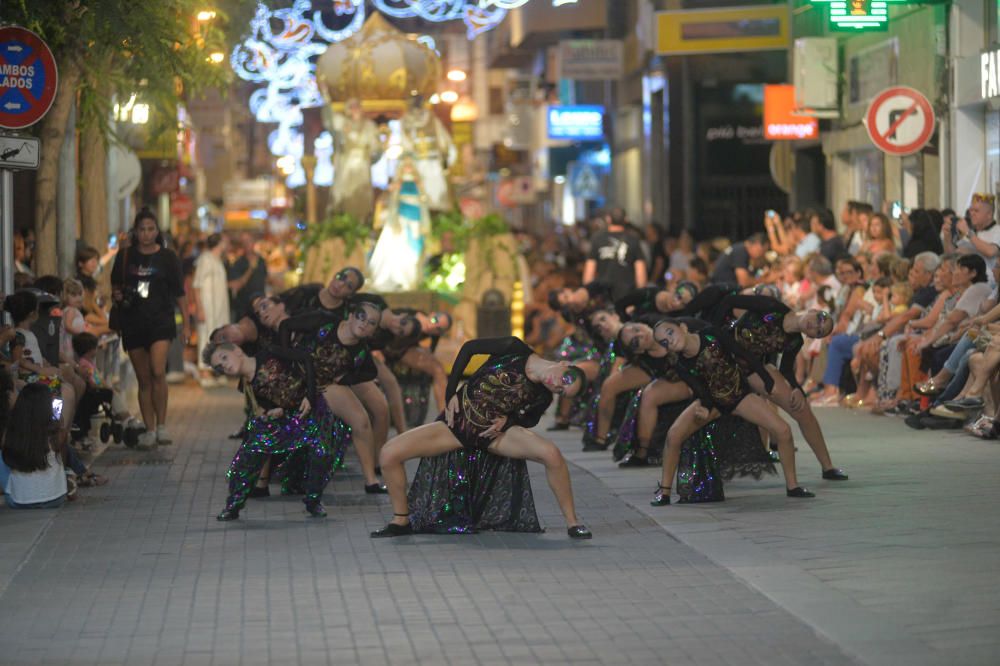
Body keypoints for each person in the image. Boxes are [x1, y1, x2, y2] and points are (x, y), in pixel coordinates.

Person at [371, 336, 592, 539]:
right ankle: (401, 520)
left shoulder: (543, 396)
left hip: (493, 436)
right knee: (388, 454)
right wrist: (450, 394)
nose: (557, 385)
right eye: (565, 379)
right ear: (564, 364)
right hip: (456, 427)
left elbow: (530, 419)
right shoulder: (515, 349)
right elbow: (470, 349)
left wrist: (509, 422)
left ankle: (573, 523)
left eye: (562, 391)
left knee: (552, 454)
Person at [651, 318, 814, 505]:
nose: (669, 340)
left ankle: (793, 487)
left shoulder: (712, 333)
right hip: (714, 402)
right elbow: (701, 391)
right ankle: (664, 492)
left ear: (683, 327)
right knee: (673, 435)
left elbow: (744, 354)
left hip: (740, 397)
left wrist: (766, 380)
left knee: (783, 430)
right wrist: (706, 408)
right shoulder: (681, 365)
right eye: (664, 341)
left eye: (670, 333)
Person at [206, 342, 339, 520]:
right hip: (280, 421)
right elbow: (266, 403)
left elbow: (305, 359)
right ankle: (233, 505)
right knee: (247, 458)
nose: (226, 366)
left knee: (323, 452)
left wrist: (310, 394)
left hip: (310, 410)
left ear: (237, 351)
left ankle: (313, 501)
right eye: (220, 367)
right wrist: (274, 409)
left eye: (224, 358)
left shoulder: (270, 352)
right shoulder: (245, 385)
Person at [109, 207, 190, 448]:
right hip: (133, 322)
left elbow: (180, 293)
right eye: (142, 229)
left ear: (157, 231)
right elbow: (115, 286)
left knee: (157, 370)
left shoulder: (168, 257)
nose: (146, 234)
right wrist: (118, 296)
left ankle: (163, 426)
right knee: (143, 378)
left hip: (160, 321)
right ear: (136, 231)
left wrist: (186, 324)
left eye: (151, 229)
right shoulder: (125, 256)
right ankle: (150, 429)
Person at [0, 384, 68, 508]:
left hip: (19, 502)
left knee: (1, 456)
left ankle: (17, 488)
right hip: (56, 498)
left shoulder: (10, 432)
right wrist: (57, 417)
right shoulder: (56, 431)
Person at [582, 208, 647, 301]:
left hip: (602, 293)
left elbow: (589, 269)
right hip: (627, 294)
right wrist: (641, 295)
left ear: (608, 219)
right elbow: (640, 270)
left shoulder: (597, 238)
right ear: (626, 219)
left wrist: (588, 293)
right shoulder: (633, 239)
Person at [192, 233, 231, 387]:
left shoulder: (218, 260)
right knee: (206, 335)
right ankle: (204, 371)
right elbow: (197, 285)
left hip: (219, 307)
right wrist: (199, 308)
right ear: (219, 243)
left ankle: (216, 369)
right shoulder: (205, 259)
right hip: (208, 306)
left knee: (218, 336)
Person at [944, 194, 1000, 286]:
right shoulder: (972, 233)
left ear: (989, 214)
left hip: (989, 285)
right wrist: (947, 238)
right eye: (971, 210)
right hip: (968, 283)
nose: (972, 214)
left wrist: (968, 232)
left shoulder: (997, 230)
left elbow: (990, 251)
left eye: (976, 211)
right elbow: (953, 254)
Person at [226, 233, 268, 323]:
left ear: (254, 243)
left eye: (249, 241)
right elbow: (237, 285)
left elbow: (265, 278)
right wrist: (250, 270)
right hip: (244, 307)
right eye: (244, 242)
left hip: (260, 304)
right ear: (242, 246)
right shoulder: (238, 263)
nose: (247, 244)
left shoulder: (261, 260)